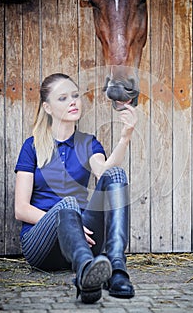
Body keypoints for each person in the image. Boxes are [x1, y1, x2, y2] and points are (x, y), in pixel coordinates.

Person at [14, 73, 138, 304]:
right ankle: (84, 268)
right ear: (47, 108)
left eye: (75, 95)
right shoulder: (31, 146)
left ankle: (115, 270)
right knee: (68, 204)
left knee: (116, 174)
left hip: (85, 241)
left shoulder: (88, 143)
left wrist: (125, 137)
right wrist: (69, 223)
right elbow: (21, 209)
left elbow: (104, 173)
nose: (73, 101)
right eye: (63, 98)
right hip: (41, 245)